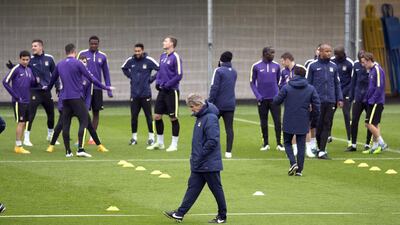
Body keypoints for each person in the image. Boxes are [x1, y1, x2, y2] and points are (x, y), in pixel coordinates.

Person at [163, 93, 227, 224]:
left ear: (199, 104)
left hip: (208, 162)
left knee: (216, 189)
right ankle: (179, 213)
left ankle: (222, 216)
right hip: (199, 162)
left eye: (192, 107)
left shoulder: (210, 118)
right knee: (193, 188)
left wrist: (200, 155)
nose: (191, 109)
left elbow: (212, 141)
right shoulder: (201, 117)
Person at [45, 43, 113, 157]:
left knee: (65, 124)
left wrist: (46, 88)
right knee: (85, 121)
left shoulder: (60, 64)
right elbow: (91, 78)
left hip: (65, 99)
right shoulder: (78, 63)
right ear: (74, 51)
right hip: (76, 98)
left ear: (65, 52)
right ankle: (80, 149)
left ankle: (68, 152)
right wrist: (105, 87)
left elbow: (52, 81)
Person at [273, 65, 320, 176]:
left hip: (289, 119)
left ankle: (293, 163)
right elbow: (317, 105)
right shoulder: (310, 88)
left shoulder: (287, 87)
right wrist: (312, 117)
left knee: (287, 142)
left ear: (294, 75)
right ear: (305, 75)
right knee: (301, 145)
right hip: (303, 119)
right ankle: (299, 170)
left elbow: (276, 101)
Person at [306, 44, 343, 159]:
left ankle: (322, 150)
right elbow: (308, 84)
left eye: (330, 51)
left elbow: (337, 84)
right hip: (317, 101)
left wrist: (340, 98)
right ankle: (318, 147)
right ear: (320, 52)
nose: (329, 53)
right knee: (318, 125)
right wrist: (309, 101)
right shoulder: (312, 66)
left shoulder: (334, 66)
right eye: (326, 51)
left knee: (327, 124)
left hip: (331, 100)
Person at [147, 36, 183, 152]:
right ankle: (160, 142)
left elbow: (179, 75)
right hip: (162, 91)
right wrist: (157, 82)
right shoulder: (162, 56)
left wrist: (167, 85)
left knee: (173, 117)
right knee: (157, 116)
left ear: (172, 44)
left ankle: (174, 144)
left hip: (172, 91)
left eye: (166, 41)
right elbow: (160, 72)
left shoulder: (175, 57)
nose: (163, 42)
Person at [121, 43, 159, 146]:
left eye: (139, 51)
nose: (137, 53)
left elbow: (160, 69)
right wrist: (131, 77)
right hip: (134, 94)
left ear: (142, 51)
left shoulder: (149, 60)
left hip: (145, 94)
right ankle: (134, 138)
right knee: (134, 116)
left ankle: (151, 138)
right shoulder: (130, 60)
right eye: (136, 51)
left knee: (148, 116)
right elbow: (123, 68)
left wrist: (151, 79)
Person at [77, 36, 112, 144]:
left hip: (97, 88)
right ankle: (80, 139)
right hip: (84, 87)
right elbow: (76, 69)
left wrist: (109, 89)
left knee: (96, 113)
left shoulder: (103, 56)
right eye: (92, 44)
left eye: (95, 44)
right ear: (89, 43)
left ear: (98, 44)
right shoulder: (82, 54)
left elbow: (106, 73)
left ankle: (92, 137)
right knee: (83, 113)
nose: (93, 45)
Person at [2, 50, 37, 154]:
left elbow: (32, 83)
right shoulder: (16, 69)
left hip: (27, 101)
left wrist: (37, 81)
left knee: (25, 123)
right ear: (20, 59)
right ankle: (18, 146)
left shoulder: (29, 70)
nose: (25, 61)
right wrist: (15, 96)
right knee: (21, 122)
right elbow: (5, 82)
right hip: (19, 101)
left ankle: (19, 145)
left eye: (27, 59)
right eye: (23, 59)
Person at [250, 47, 284, 151]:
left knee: (278, 122)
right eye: (271, 53)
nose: (273, 55)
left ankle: (279, 144)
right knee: (263, 122)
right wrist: (258, 96)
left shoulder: (277, 66)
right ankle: (265, 144)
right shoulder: (256, 66)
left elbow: (278, 81)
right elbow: (252, 82)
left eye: (274, 53)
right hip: (262, 100)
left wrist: (277, 94)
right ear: (265, 53)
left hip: (274, 99)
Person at [208, 51, 237, 159]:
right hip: (230, 104)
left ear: (220, 60)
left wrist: (210, 102)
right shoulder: (234, 72)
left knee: (211, 126)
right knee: (229, 128)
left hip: (218, 105)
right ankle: (228, 152)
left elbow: (214, 87)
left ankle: (211, 149)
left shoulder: (218, 71)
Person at [360, 52, 388, 154]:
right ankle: (375, 146)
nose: (363, 65)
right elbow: (371, 87)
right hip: (371, 101)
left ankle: (382, 143)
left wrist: (373, 99)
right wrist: (366, 98)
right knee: (375, 124)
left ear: (369, 60)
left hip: (376, 102)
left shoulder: (377, 69)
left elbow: (379, 87)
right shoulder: (371, 71)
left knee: (368, 123)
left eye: (364, 62)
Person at [347, 50, 372, 152]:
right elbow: (353, 82)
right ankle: (353, 144)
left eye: (363, 58)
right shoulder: (355, 65)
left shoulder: (372, 66)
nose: (362, 61)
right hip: (358, 97)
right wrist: (351, 97)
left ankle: (367, 144)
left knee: (369, 121)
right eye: (360, 58)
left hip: (369, 98)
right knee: (354, 121)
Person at [331, 46, 354, 148]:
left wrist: (344, 94)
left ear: (343, 53)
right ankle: (328, 135)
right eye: (336, 54)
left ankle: (350, 140)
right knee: (329, 115)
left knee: (346, 115)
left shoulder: (349, 63)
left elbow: (352, 81)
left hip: (346, 93)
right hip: (333, 94)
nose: (337, 56)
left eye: (338, 54)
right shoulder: (331, 61)